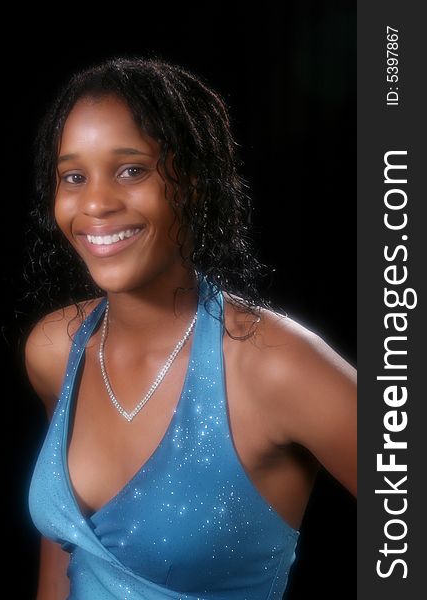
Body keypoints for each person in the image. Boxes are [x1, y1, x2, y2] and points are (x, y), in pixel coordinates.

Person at [25, 56, 356, 600]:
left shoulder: (273, 364)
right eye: (73, 177)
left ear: (194, 183)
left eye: (131, 170)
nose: (96, 203)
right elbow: (62, 550)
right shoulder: (55, 348)